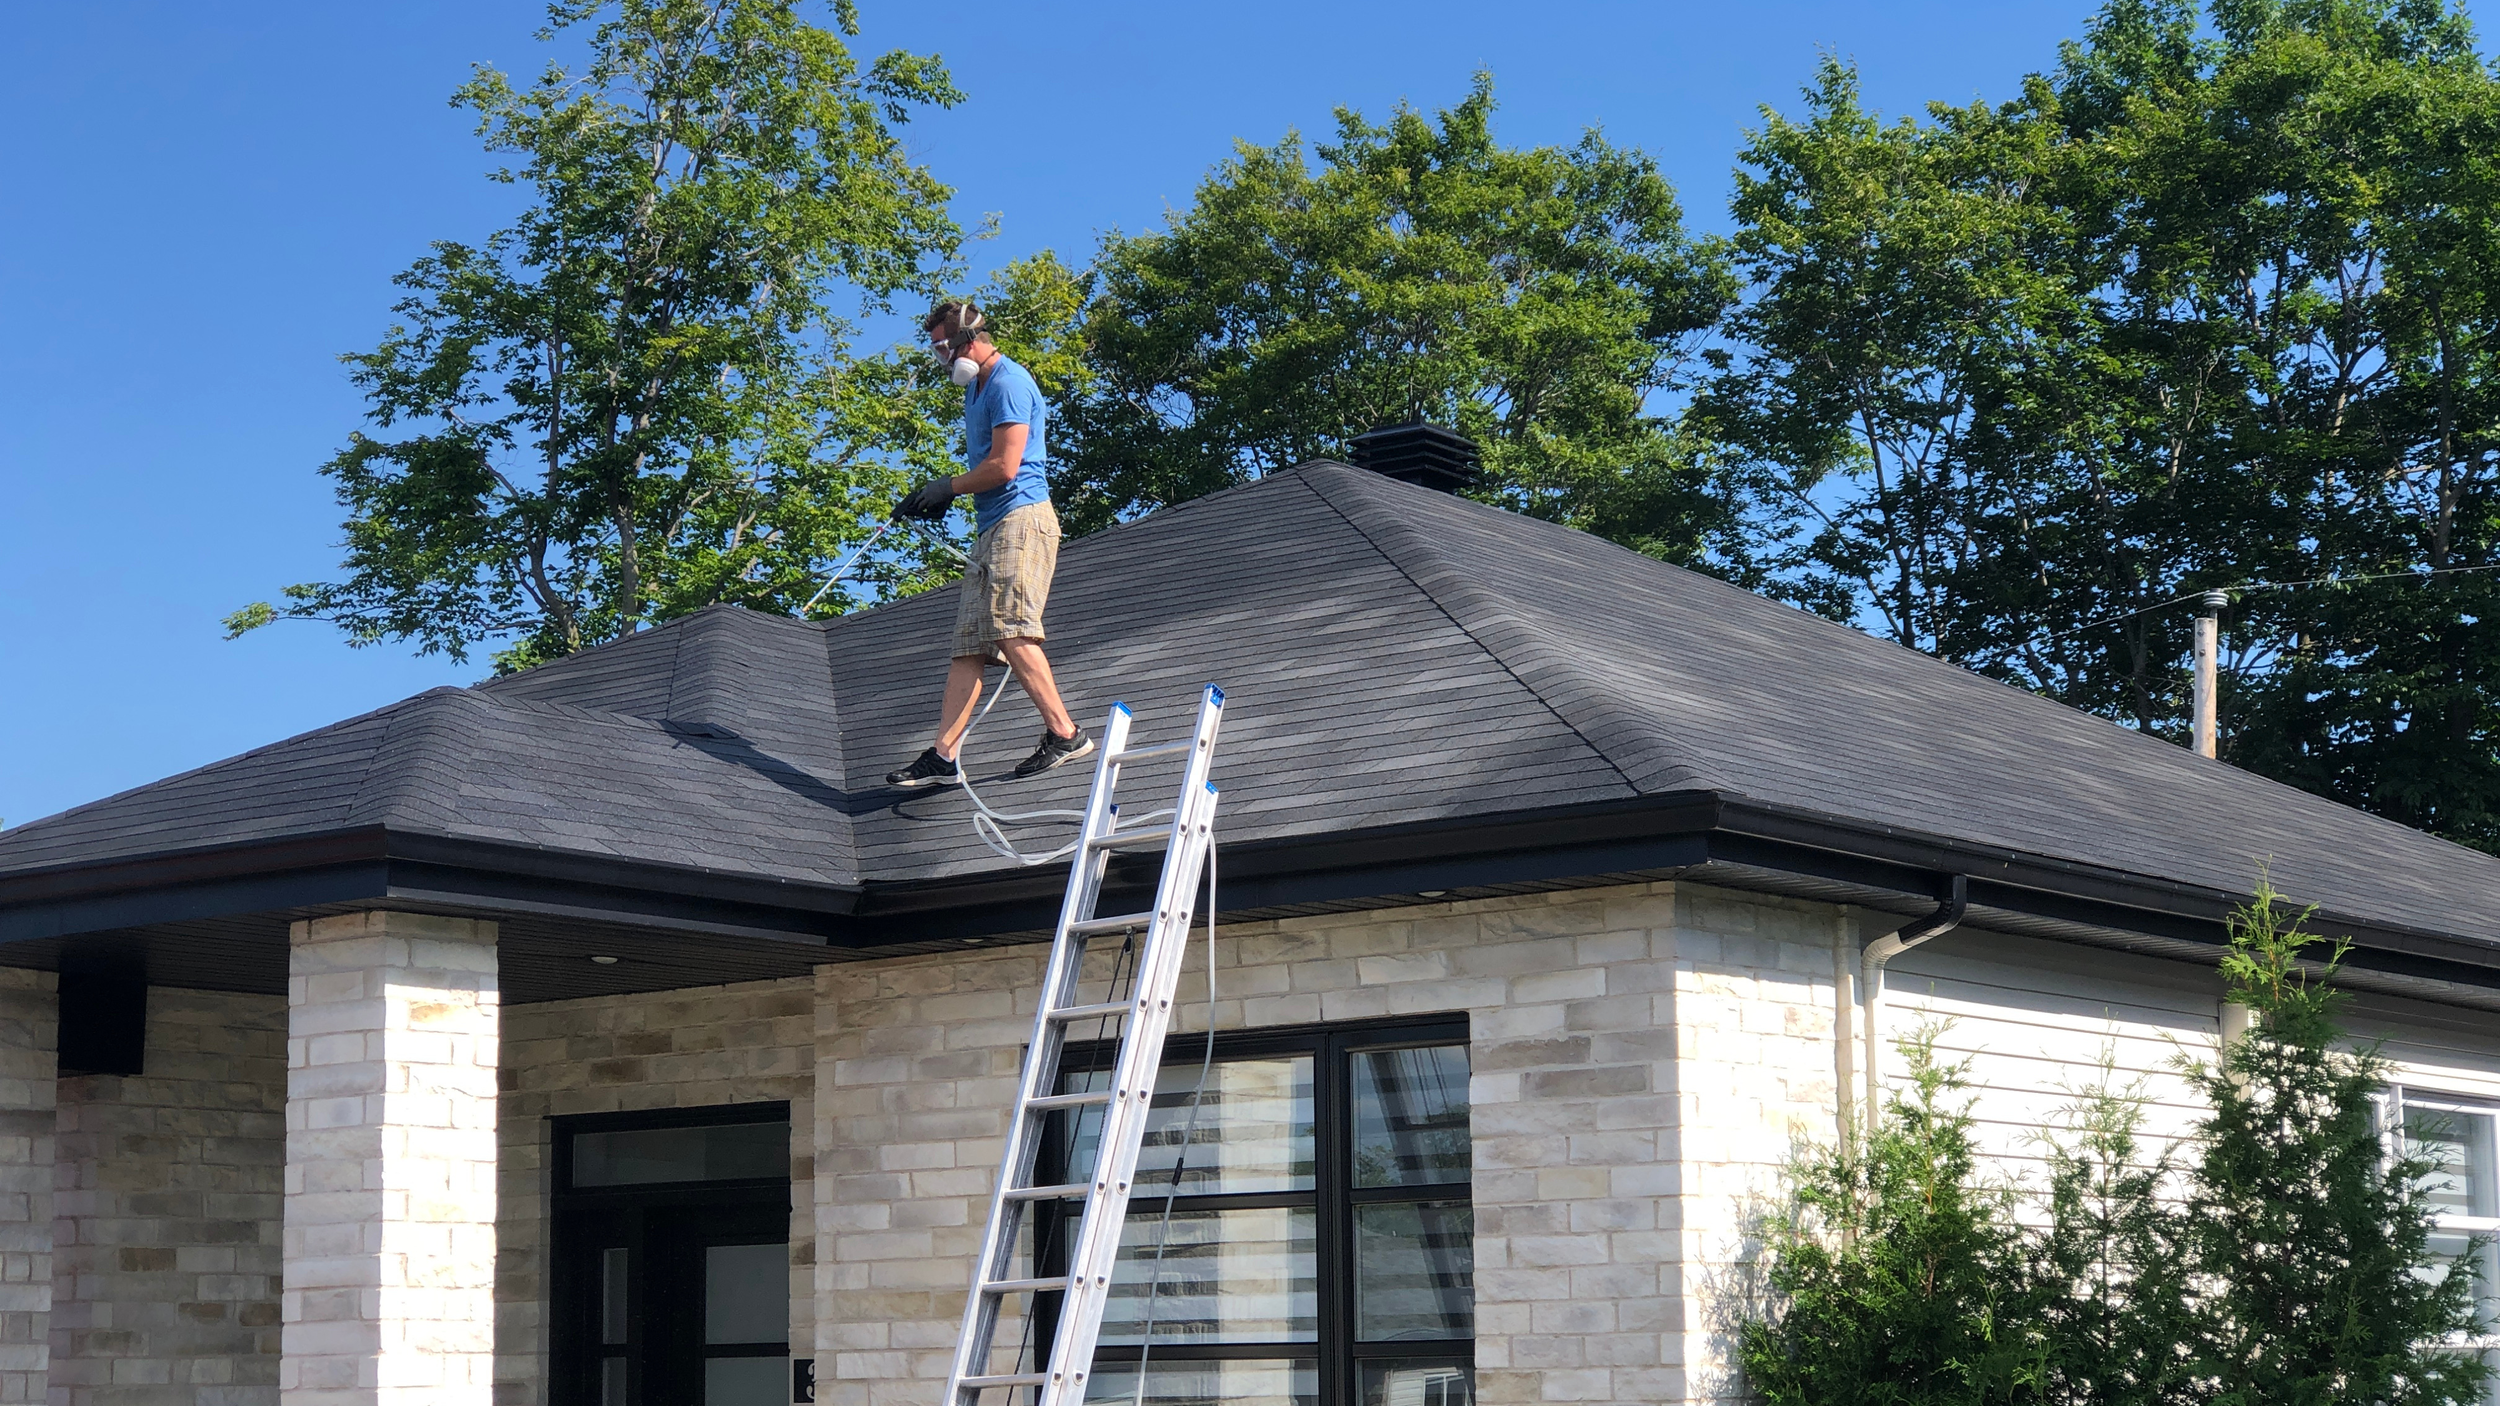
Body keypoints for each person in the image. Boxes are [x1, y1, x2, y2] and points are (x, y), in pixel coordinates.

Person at [884, 301, 1094, 788]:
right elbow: (985, 474)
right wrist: (933, 497)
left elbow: (1005, 467)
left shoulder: (1008, 383)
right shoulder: (975, 390)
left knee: (1010, 626)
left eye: (941, 346)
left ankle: (1066, 733)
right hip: (992, 528)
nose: (938, 357)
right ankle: (944, 756)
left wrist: (947, 487)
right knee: (969, 646)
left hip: (1023, 521)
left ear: (966, 341)